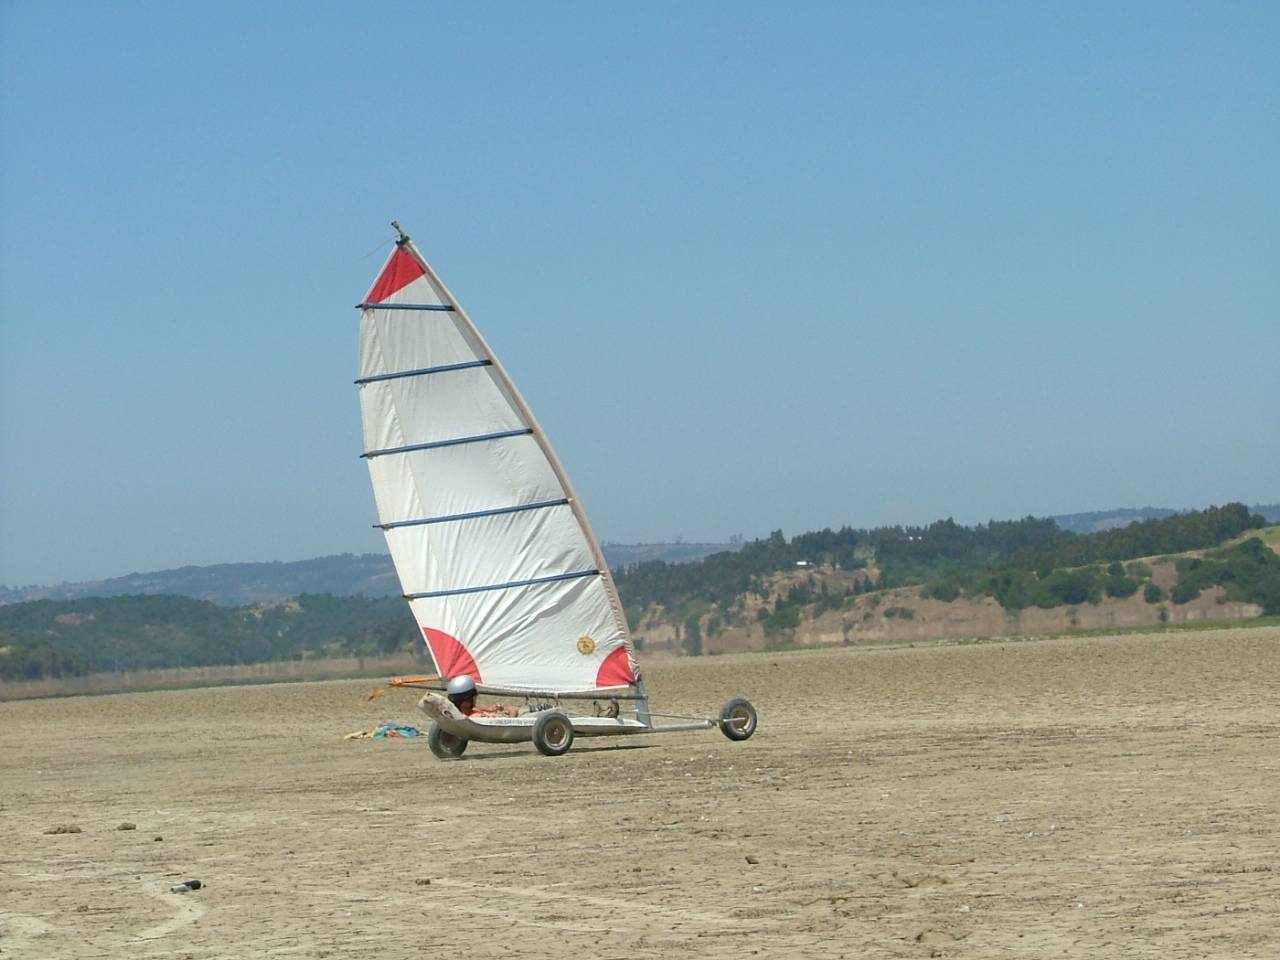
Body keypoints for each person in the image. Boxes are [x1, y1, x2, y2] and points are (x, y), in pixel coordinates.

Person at [445, 674, 517, 718]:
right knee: (512, 708)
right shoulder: (476, 716)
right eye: (473, 697)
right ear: (468, 699)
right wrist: (511, 712)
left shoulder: (465, 713)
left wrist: (491, 709)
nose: (475, 699)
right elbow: (512, 712)